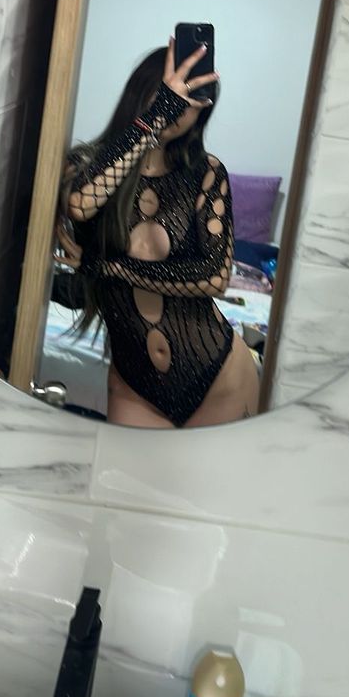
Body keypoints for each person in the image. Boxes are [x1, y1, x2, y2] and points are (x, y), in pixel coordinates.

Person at [55, 39, 260, 429]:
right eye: (172, 92)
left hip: (220, 378)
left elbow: (214, 277)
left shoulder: (206, 173)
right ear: (144, 91)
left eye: (192, 98)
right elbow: (80, 204)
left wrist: (110, 266)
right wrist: (156, 116)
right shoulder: (86, 165)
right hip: (135, 388)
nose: (181, 106)